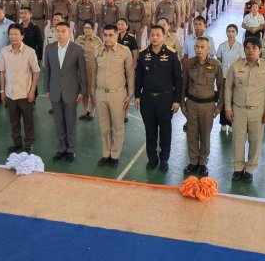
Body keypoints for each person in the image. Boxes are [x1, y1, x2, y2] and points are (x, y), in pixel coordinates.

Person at [224, 37, 265, 183]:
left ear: (260, 50)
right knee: (238, 140)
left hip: (258, 111)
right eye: (247, 47)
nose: (250, 50)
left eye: (254, 48)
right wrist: (228, 108)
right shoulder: (235, 66)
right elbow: (228, 87)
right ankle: (238, 168)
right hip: (238, 109)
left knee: (256, 141)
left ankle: (250, 169)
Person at [135, 25, 182, 171]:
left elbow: (178, 79)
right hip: (147, 99)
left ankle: (164, 159)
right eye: (152, 35)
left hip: (165, 99)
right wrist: (137, 95)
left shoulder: (171, 54)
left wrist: (177, 100)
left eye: (157, 35)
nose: (154, 38)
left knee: (165, 131)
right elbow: (139, 78)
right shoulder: (143, 54)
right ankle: (152, 159)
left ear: (163, 37)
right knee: (150, 131)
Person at [43, 22, 88, 162]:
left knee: (70, 121)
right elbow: (47, 71)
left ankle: (71, 149)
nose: (60, 34)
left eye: (63, 31)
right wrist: (47, 89)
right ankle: (61, 148)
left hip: (71, 91)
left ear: (70, 33)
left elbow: (82, 72)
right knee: (58, 121)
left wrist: (82, 91)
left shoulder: (77, 49)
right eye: (58, 31)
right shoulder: (49, 48)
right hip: (55, 90)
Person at [181, 37, 224, 177]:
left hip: (208, 105)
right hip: (192, 104)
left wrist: (219, 106)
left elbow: (221, 86)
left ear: (208, 49)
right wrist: (182, 103)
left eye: (202, 47)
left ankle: (203, 163)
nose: (199, 50)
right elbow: (183, 85)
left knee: (205, 134)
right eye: (197, 47)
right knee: (192, 134)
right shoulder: (188, 63)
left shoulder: (216, 64)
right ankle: (193, 161)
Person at [94, 24, 135, 168]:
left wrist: (130, 94)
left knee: (117, 126)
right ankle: (106, 153)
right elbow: (94, 73)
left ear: (117, 35)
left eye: (111, 35)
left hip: (117, 93)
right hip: (100, 93)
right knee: (104, 126)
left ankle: (115, 155)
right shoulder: (98, 50)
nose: (107, 38)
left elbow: (130, 73)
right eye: (105, 35)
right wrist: (94, 92)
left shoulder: (124, 51)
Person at [0, 24, 40, 154]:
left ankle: (29, 143)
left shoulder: (30, 52)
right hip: (10, 93)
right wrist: (2, 91)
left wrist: (32, 91)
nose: (13, 37)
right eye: (11, 34)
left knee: (28, 120)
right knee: (13, 120)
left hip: (25, 93)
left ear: (22, 36)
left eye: (16, 34)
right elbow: (2, 72)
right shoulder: (4, 51)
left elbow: (36, 72)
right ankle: (16, 142)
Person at [216, 24, 244, 133]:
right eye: (229, 31)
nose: (231, 33)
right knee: (223, 99)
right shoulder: (222, 46)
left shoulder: (240, 47)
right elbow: (218, 59)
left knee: (233, 100)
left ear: (236, 33)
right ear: (226, 33)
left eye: (233, 31)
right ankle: (223, 122)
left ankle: (232, 123)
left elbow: (242, 62)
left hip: (235, 78)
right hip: (223, 76)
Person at [75, 20, 102, 121]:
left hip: (93, 71)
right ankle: (85, 110)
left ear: (92, 29)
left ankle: (92, 110)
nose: (86, 30)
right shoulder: (79, 39)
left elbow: (101, 55)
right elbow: (75, 53)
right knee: (84, 92)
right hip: (81, 70)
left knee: (93, 93)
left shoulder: (97, 40)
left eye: (89, 28)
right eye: (85, 28)